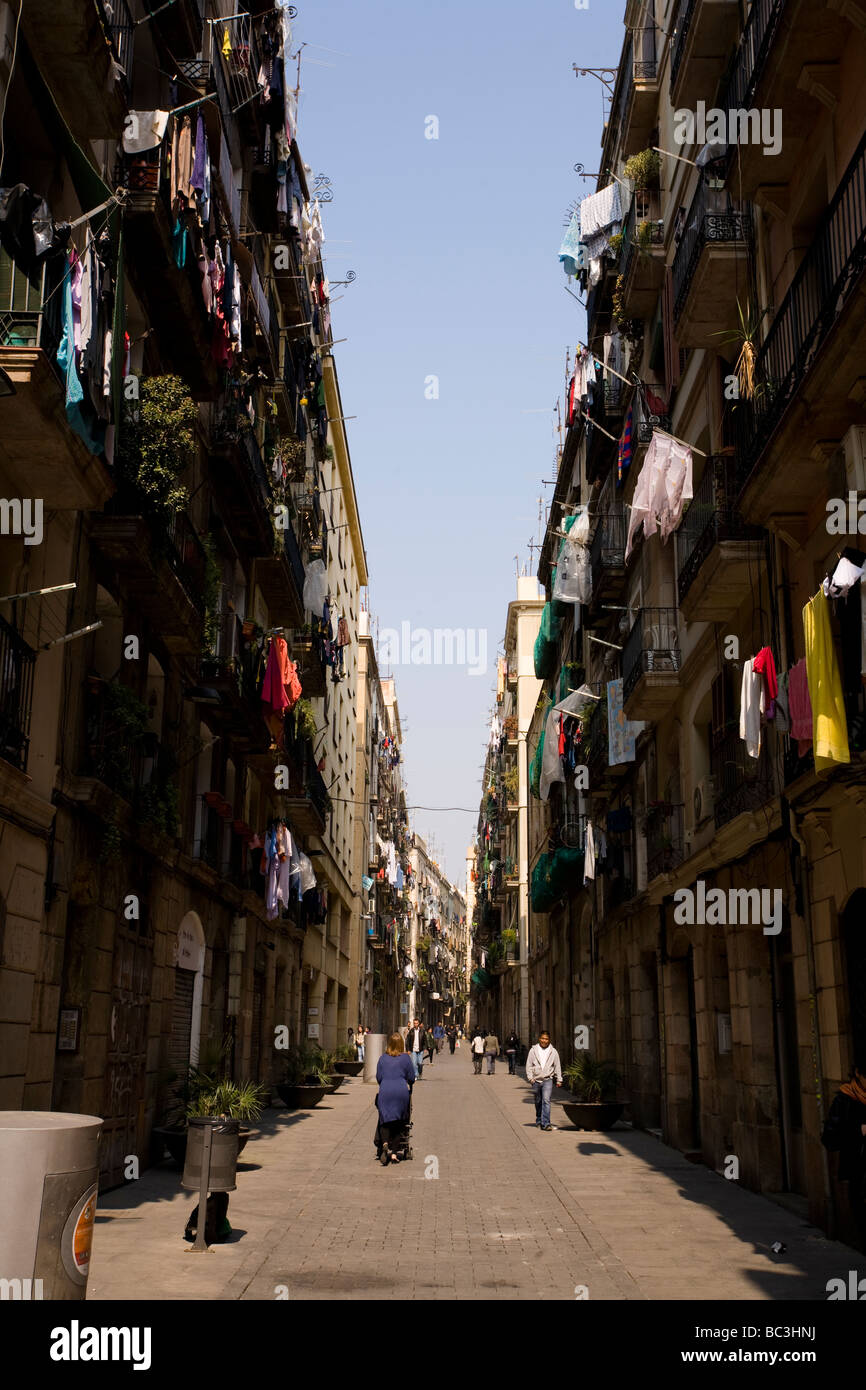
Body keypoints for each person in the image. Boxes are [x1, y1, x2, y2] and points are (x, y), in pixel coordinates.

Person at [821, 1063, 866, 1246]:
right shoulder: (845, 1100)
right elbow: (830, 1138)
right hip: (859, 1172)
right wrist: (859, 1131)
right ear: (857, 1073)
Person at [375, 1032, 415, 1165]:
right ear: (401, 1044)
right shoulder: (405, 1058)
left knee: (384, 1120)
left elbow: (379, 1078)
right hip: (400, 1091)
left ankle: (385, 1143)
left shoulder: (382, 1058)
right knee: (399, 1122)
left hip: (385, 1091)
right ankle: (393, 1153)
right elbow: (411, 1078)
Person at [525, 1030, 563, 1130]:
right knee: (538, 1101)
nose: (544, 1041)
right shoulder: (533, 1050)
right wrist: (530, 1078)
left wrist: (559, 1079)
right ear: (539, 1039)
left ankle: (546, 1123)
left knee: (546, 1100)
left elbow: (557, 1066)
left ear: (549, 1040)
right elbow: (528, 1065)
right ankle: (538, 1119)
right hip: (536, 1080)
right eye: (542, 1038)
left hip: (547, 1080)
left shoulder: (553, 1051)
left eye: (546, 1039)